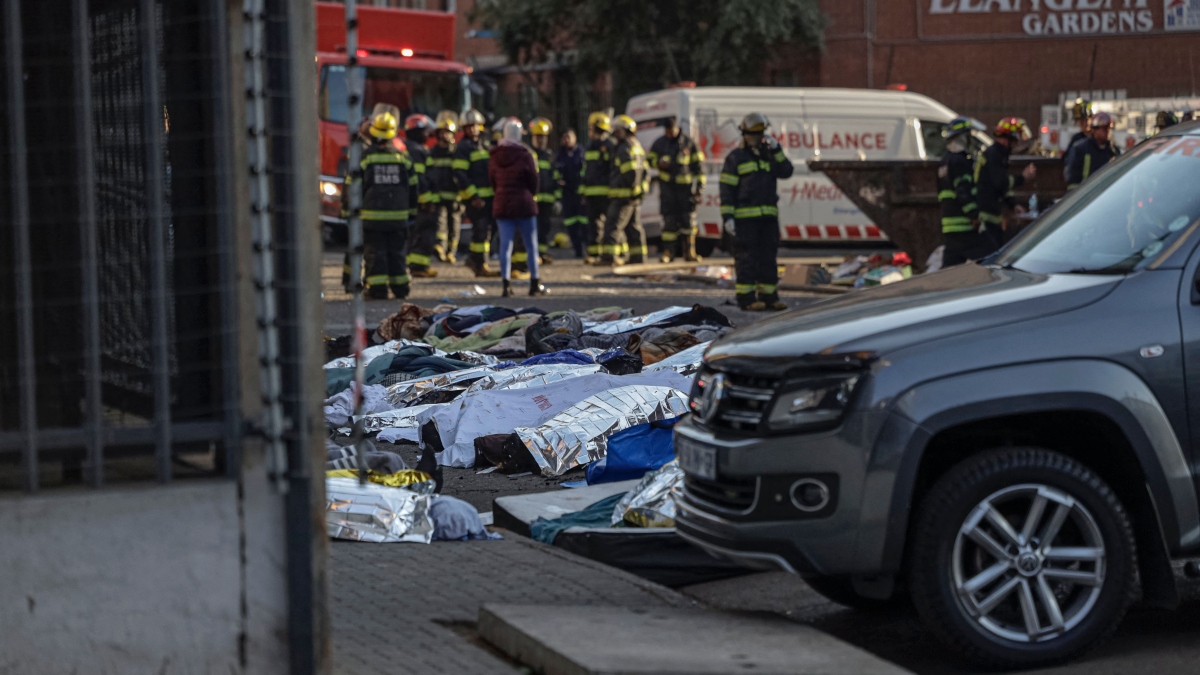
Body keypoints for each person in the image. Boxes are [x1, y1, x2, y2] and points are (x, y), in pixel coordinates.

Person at [718, 112, 793, 311]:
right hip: (745, 220)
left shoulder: (769, 155)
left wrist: (777, 150)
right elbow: (727, 191)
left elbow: (786, 171)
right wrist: (728, 217)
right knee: (747, 260)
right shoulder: (736, 158)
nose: (755, 137)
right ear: (744, 133)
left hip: (768, 218)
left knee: (768, 258)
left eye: (759, 133)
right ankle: (747, 299)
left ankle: (770, 297)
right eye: (752, 134)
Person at [353, 111, 417, 300]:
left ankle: (378, 290)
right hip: (398, 217)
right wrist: (412, 212)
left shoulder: (365, 157)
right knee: (397, 253)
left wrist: (349, 211)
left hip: (372, 217)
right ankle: (401, 289)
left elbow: (354, 186)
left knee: (375, 253)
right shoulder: (402, 158)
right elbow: (413, 187)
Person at [489, 119, 548, 297]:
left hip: (502, 204)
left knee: (505, 245)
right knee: (531, 245)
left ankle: (506, 284)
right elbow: (533, 180)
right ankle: (534, 283)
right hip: (524, 203)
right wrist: (531, 193)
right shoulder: (525, 154)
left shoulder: (495, 155)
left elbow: (492, 179)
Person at [974, 117, 1037, 253]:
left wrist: (1013, 205)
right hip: (986, 215)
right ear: (1008, 138)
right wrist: (1023, 177)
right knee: (992, 252)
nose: (1016, 144)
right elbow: (1001, 183)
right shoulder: (994, 155)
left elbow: (1003, 187)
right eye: (1014, 140)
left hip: (992, 214)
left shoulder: (998, 155)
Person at [648, 115, 706, 262]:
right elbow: (649, 160)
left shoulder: (688, 143)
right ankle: (668, 253)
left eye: (671, 130)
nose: (668, 133)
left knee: (688, 222)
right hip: (668, 190)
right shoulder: (660, 143)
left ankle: (690, 253)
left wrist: (699, 189)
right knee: (669, 222)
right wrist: (658, 163)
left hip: (686, 191)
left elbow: (699, 168)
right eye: (666, 130)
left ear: (676, 128)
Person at [454, 108, 500, 277]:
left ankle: (474, 259)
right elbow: (460, 174)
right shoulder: (463, 148)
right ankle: (480, 264)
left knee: (489, 230)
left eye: (475, 126)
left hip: (489, 197)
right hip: (475, 199)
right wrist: (473, 196)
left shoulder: (484, 145)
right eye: (469, 126)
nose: (473, 129)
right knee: (481, 231)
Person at [601, 114, 649, 265]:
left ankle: (608, 257)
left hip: (623, 196)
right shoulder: (637, 147)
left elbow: (630, 173)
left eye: (618, 130)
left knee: (612, 225)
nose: (615, 133)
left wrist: (629, 188)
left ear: (627, 130)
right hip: (634, 196)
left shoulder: (624, 148)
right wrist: (640, 191)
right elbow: (645, 172)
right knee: (633, 227)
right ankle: (638, 257)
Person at [937, 116, 984, 266]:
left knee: (950, 265)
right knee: (986, 259)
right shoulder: (960, 162)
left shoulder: (945, 161)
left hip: (949, 224)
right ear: (963, 137)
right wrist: (975, 216)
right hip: (964, 224)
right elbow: (963, 192)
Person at [403, 114, 438, 278]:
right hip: (422, 202)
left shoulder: (412, 148)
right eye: (424, 131)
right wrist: (425, 200)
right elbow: (419, 179)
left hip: (416, 200)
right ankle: (418, 267)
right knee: (423, 233)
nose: (427, 134)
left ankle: (416, 265)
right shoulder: (416, 151)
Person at [580, 111, 614, 263]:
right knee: (593, 226)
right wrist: (583, 191)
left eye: (591, 128)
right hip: (591, 194)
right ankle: (594, 255)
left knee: (610, 225)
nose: (589, 131)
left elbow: (613, 169)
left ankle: (614, 253)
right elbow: (586, 171)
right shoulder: (590, 146)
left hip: (607, 193)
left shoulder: (609, 146)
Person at [528, 117, 561, 266]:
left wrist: (557, 199)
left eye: (543, 137)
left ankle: (541, 253)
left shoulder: (549, 156)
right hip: (533, 200)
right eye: (538, 137)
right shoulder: (529, 154)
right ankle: (533, 254)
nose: (540, 140)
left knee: (545, 229)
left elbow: (555, 179)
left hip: (547, 201)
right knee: (532, 229)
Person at [428, 114, 460, 263]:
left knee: (454, 224)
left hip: (454, 195)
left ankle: (451, 252)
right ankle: (440, 247)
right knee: (440, 222)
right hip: (438, 194)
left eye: (448, 132)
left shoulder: (456, 152)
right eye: (442, 132)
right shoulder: (432, 152)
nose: (445, 135)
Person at [1066, 112, 1120, 190]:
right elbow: (1072, 178)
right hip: (1086, 192)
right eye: (1104, 128)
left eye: (1110, 128)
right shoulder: (1081, 149)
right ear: (1094, 130)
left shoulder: (1114, 151)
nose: (1108, 131)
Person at [555, 128, 586, 258]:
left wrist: (584, 192)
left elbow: (585, 174)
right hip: (566, 195)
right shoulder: (559, 155)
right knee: (571, 225)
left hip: (580, 195)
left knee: (584, 225)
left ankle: (588, 250)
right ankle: (578, 251)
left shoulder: (582, 153)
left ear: (575, 138)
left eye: (569, 137)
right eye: (564, 137)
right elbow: (556, 174)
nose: (566, 140)